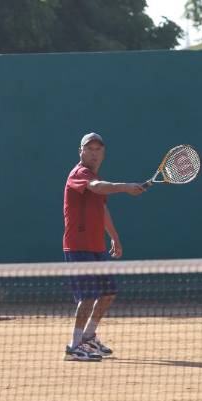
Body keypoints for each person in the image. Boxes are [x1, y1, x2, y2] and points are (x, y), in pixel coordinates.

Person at [63, 132, 144, 362]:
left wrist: (114, 237)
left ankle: (88, 337)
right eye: (89, 149)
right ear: (81, 152)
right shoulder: (79, 174)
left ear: (103, 153)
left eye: (98, 149)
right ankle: (74, 346)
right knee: (88, 297)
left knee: (108, 293)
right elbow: (97, 187)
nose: (94, 153)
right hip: (78, 246)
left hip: (96, 247)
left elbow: (102, 209)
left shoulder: (96, 177)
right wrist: (125, 187)